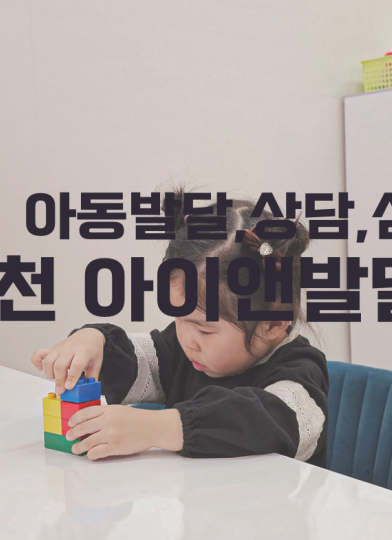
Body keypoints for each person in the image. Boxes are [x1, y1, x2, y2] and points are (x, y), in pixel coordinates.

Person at [31, 188, 329, 466]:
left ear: (272, 322)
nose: (187, 339)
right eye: (179, 319)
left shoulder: (300, 371)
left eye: (204, 330)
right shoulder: (186, 349)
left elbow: (269, 420)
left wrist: (154, 428)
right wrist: (93, 341)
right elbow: (137, 359)